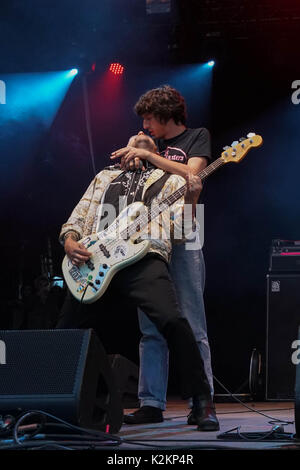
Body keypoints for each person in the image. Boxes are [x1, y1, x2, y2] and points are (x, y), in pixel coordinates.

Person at [57, 133, 217, 431]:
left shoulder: (171, 180)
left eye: (147, 138)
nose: (142, 136)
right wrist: (69, 240)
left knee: (173, 321)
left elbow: (181, 232)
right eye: (136, 136)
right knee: (66, 330)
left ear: (156, 152)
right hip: (95, 261)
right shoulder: (105, 176)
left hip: (145, 257)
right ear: (125, 150)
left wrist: (192, 198)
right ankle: (48, 400)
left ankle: (202, 400)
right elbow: (80, 214)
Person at [110, 85, 218, 430]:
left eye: (149, 118)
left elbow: (192, 175)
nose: (145, 125)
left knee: (191, 321)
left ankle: (204, 402)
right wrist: (137, 151)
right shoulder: (142, 143)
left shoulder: (197, 137)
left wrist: (148, 155)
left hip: (185, 230)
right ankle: (151, 402)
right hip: (148, 238)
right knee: (150, 326)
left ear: (167, 115)